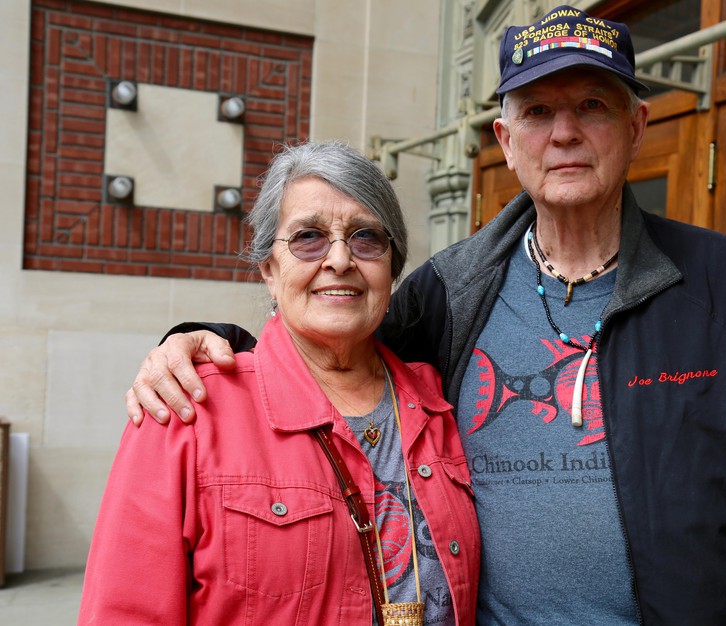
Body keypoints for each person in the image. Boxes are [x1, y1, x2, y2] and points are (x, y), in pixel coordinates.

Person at [125, 5, 726, 625]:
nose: (565, 132)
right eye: (539, 111)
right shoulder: (452, 287)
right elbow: (330, 352)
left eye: (592, 107)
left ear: (636, 125)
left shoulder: (724, 285)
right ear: (507, 142)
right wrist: (207, 345)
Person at [80, 141, 480, 625]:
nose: (339, 260)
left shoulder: (439, 402)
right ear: (269, 269)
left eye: (366, 238)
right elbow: (125, 611)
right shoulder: (187, 409)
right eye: (309, 236)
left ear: (392, 269)